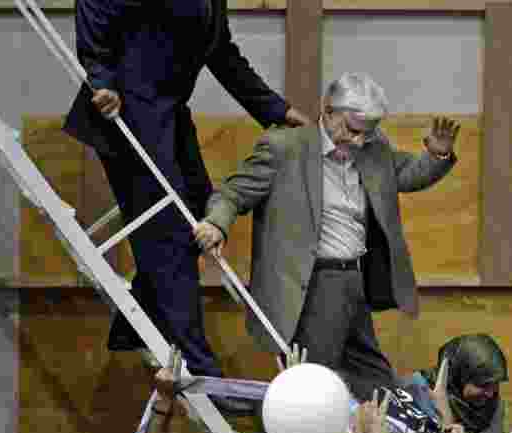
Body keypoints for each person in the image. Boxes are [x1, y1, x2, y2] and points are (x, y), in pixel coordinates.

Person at [63, 0, 307, 413]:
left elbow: (222, 54)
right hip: (128, 114)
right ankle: (202, 372)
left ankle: (133, 326)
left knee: (198, 210)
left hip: (169, 114)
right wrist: (101, 79)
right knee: (172, 237)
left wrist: (276, 110)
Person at [195, 72, 459, 401]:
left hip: (355, 281)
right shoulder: (284, 147)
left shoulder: (373, 147)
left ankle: (379, 428)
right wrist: (216, 224)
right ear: (328, 110)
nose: (360, 141)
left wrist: (436, 156)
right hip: (313, 284)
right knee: (313, 388)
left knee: (375, 381)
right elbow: (234, 193)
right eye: (353, 130)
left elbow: (405, 175)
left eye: (368, 132)